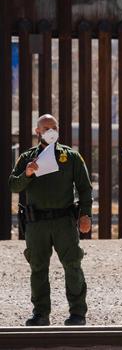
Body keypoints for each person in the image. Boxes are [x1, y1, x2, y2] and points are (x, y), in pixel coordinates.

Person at [8, 114, 92, 326]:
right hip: (37, 224)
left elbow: (85, 188)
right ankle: (41, 314)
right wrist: (27, 174)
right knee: (38, 268)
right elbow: (13, 185)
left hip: (64, 221)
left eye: (53, 127)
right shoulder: (27, 158)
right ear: (37, 132)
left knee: (72, 265)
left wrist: (85, 214)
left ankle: (77, 313)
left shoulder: (71, 156)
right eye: (45, 128)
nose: (50, 131)